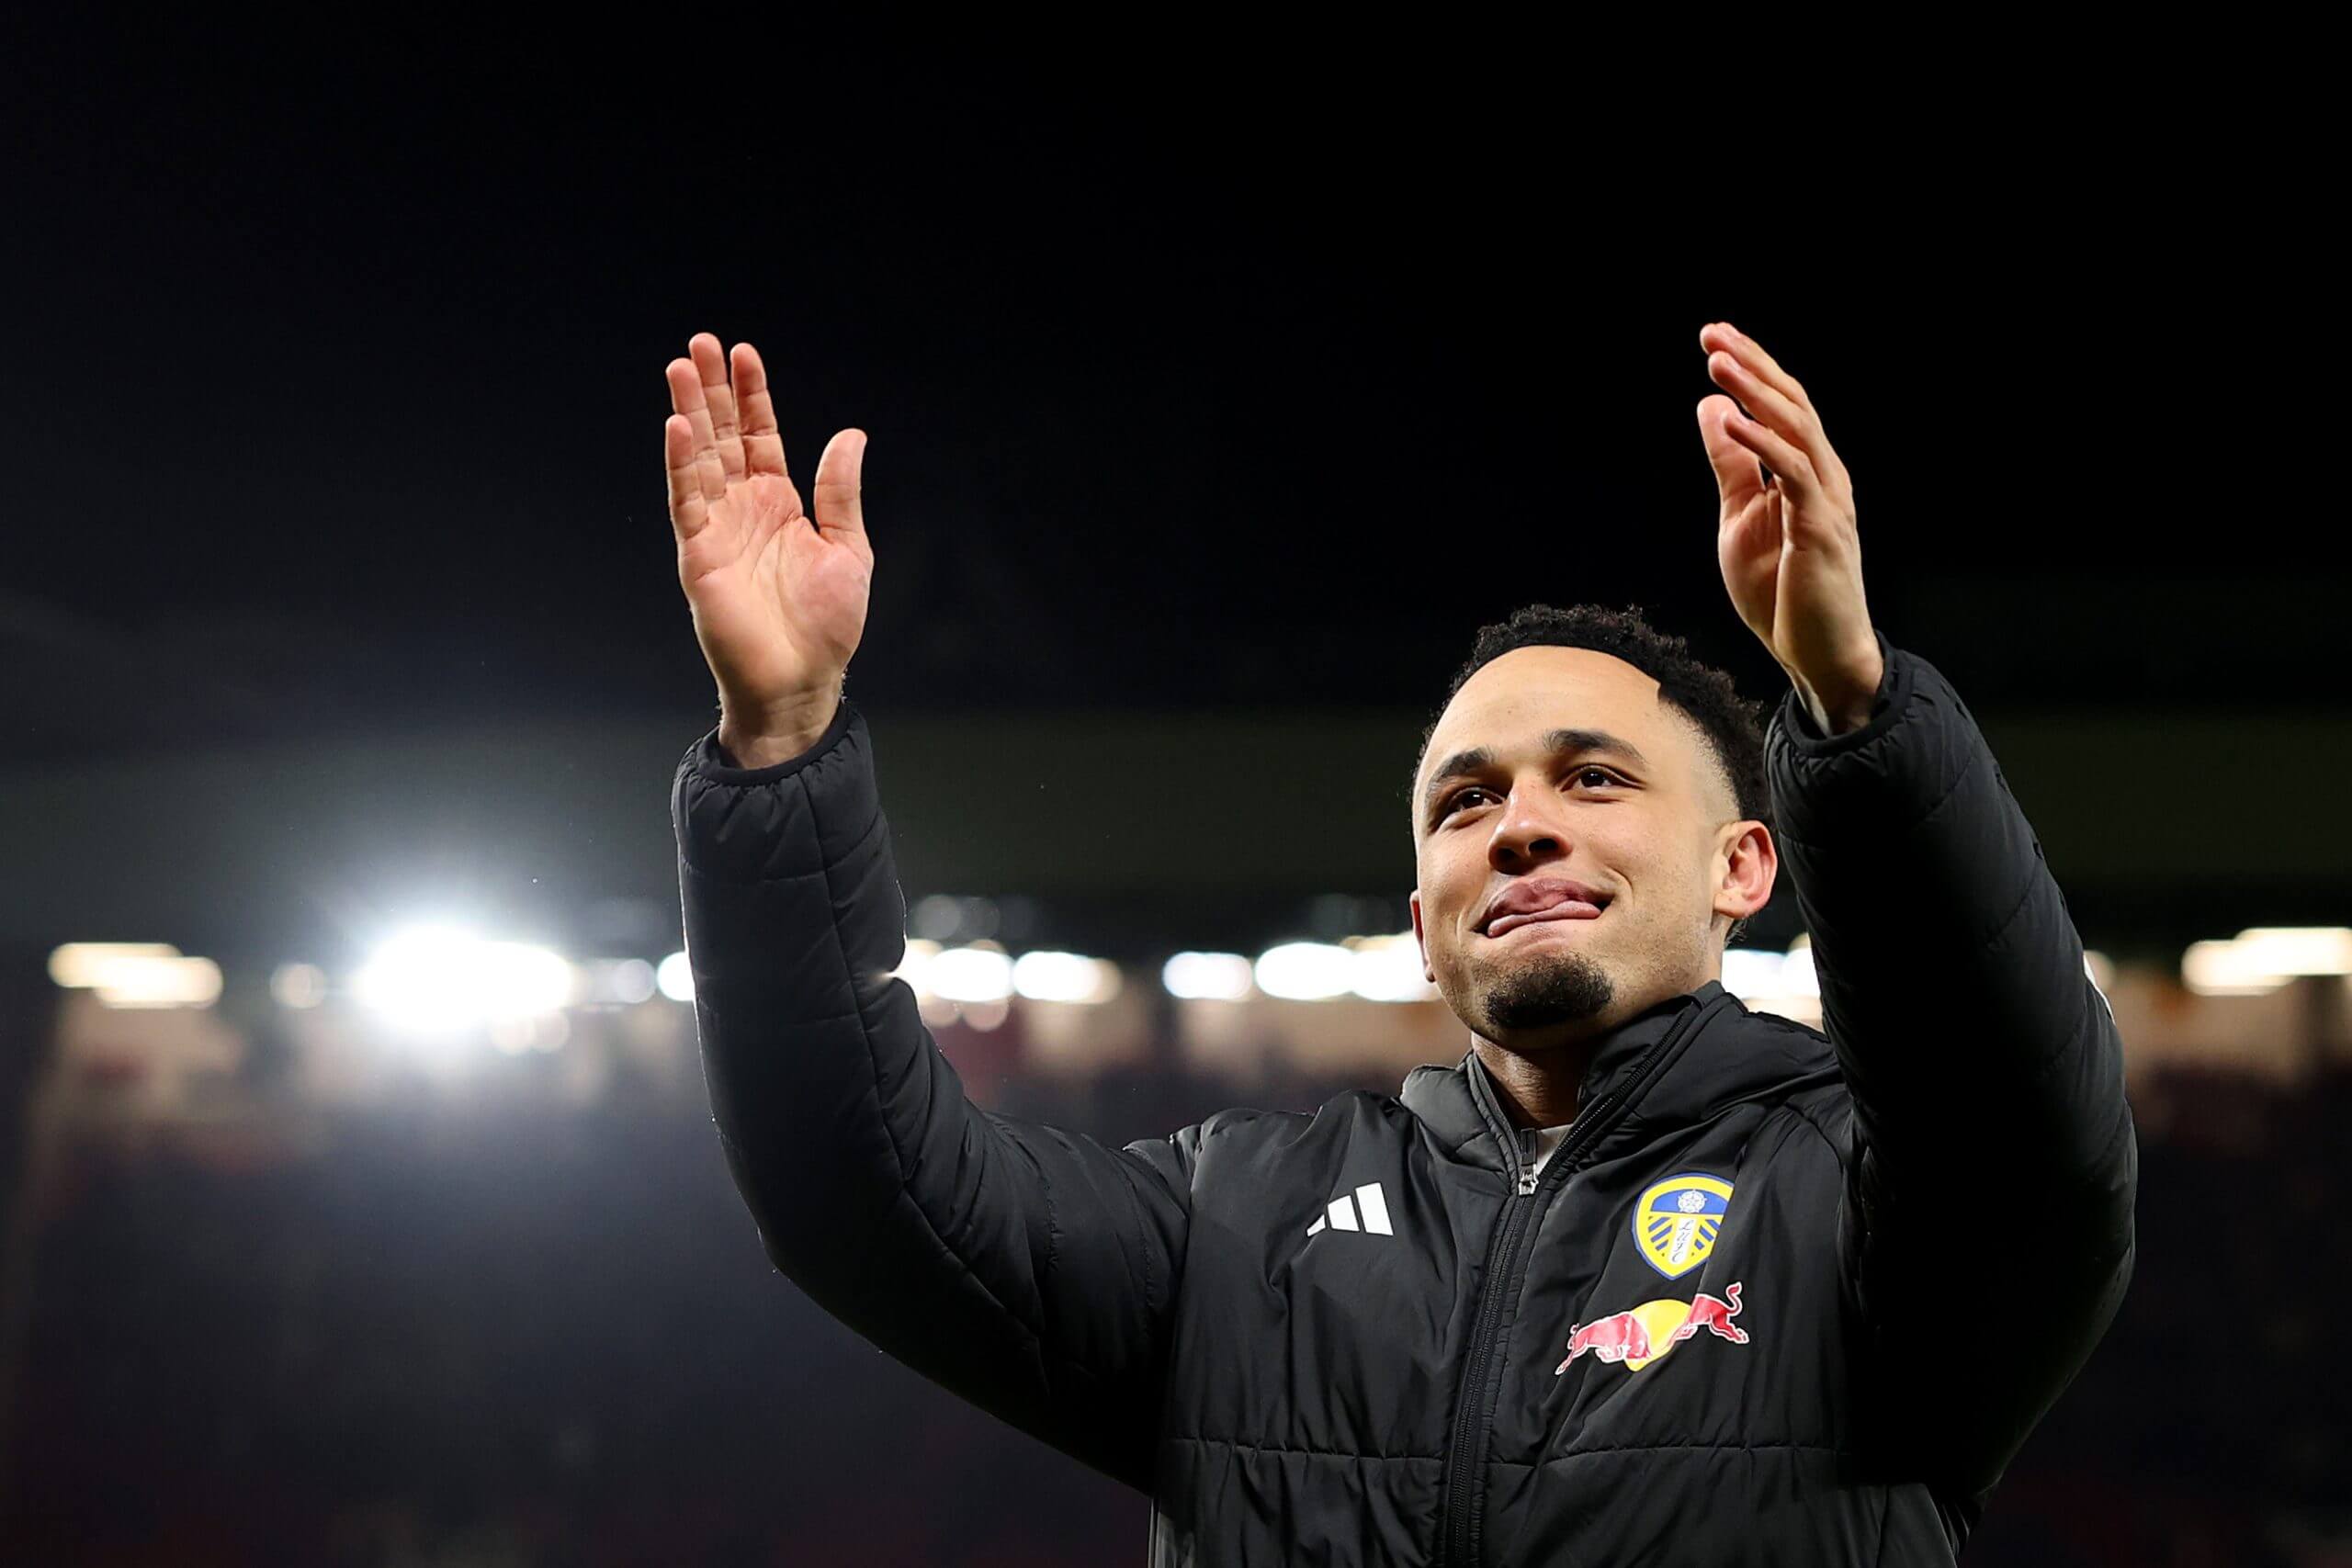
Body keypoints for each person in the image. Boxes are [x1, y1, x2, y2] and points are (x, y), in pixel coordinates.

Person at [661, 322, 2136, 1565]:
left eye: (1597, 778)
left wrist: (1853, 704)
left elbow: (2029, 1133)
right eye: (1468, 802)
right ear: (1426, 927)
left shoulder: (1871, 1207)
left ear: (1746, 866)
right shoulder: (1236, 1224)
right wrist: (782, 748)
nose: (1521, 825)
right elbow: (861, 1186)